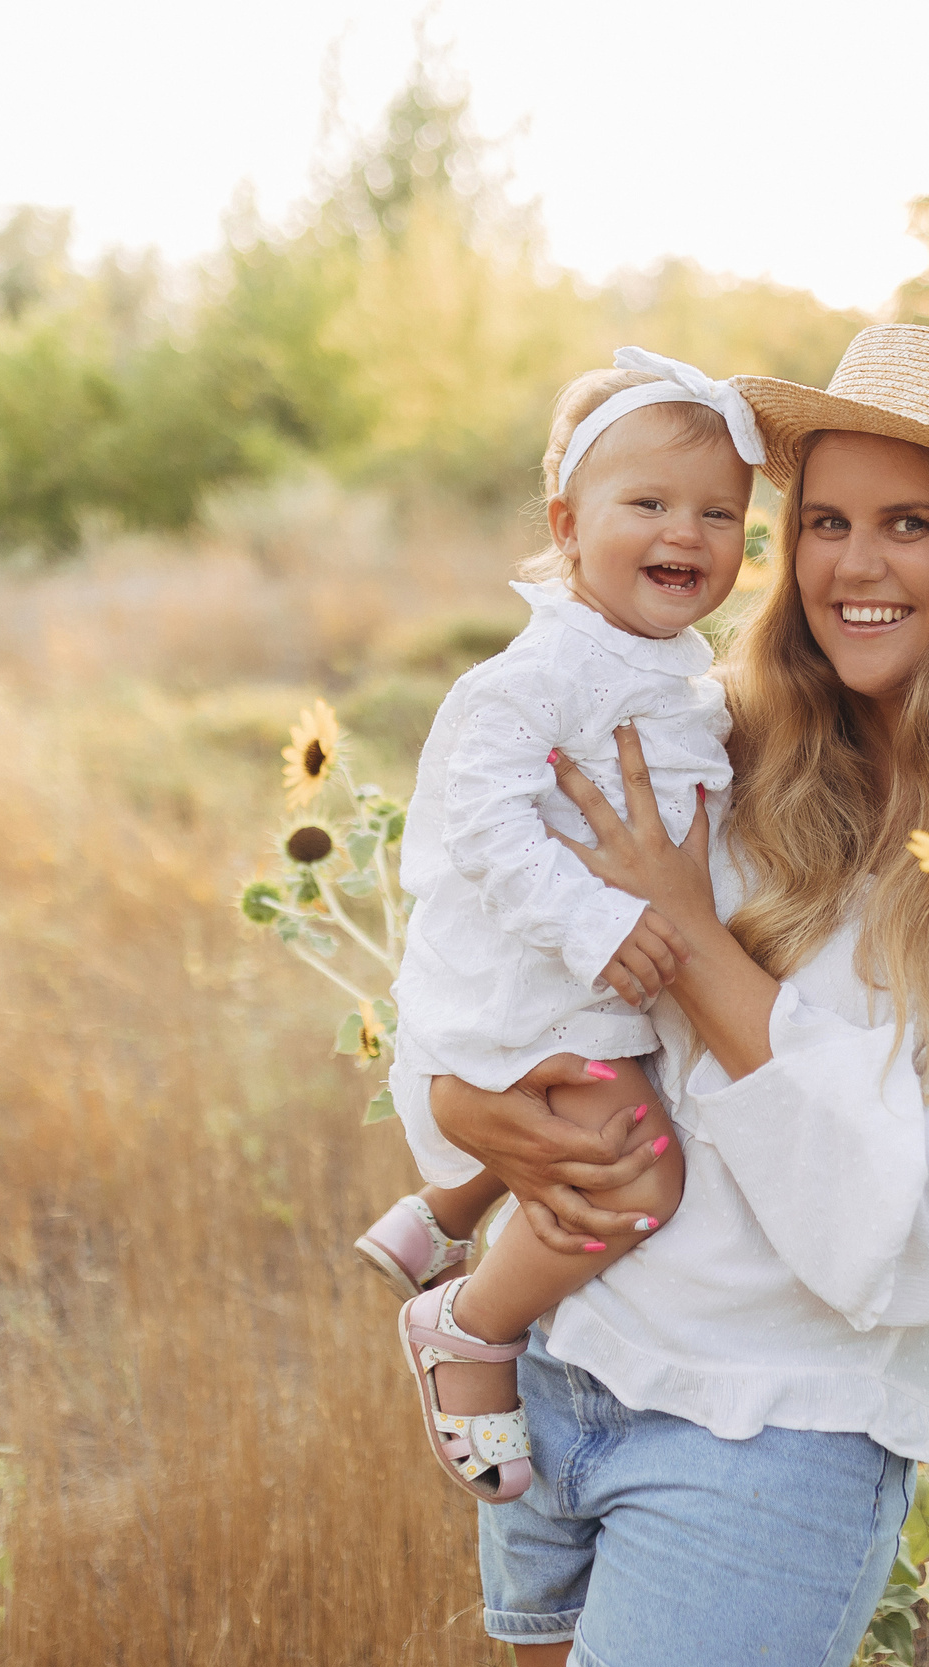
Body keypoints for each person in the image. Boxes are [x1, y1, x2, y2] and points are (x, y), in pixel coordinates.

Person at [389, 322, 929, 1667]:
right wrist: (461, 1108)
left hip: (773, 1436)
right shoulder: (724, 747)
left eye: (910, 523)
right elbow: (496, 942)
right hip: (564, 1364)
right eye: (825, 520)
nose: (849, 564)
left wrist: (703, 949)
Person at [359, 348, 766, 1504]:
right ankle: (470, 1328)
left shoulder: (670, 667)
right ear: (567, 522)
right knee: (633, 1181)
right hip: (535, 980)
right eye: (647, 504)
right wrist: (591, 923)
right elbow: (479, 823)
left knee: (580, 1124)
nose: (685, 533)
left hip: (590, 979)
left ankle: (437, 1213)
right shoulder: (535, 673)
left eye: (720, 514)